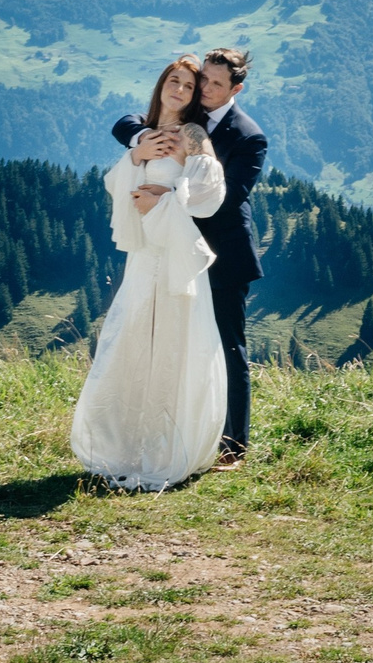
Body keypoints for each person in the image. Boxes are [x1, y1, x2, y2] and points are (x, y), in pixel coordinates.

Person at [72, 56, 228, 490]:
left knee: (176, 346)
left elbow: (210, 195)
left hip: (174, 254)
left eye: (189, 86)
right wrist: (136, 154)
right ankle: (123, 446)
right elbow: (114, 184)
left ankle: (166, 448)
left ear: (196, 96)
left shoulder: (194, 134)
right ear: (162, 84)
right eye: (173, 81)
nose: (179, 90)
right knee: (132, 340)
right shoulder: (143, 129)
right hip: (143, 257)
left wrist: (167, 194)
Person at [112, 46, 264, 467]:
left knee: (225, 347)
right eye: (205, 81)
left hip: (221, 255)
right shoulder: (184, 120)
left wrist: (164, 197)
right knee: (170, 342)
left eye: (217, 84)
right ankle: (169, 429)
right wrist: (139, 140)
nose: (207, 90)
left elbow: (228, 198)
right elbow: (126, 121)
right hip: (163, 250)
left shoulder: (248, 135)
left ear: (236, 87)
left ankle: (233, 443)